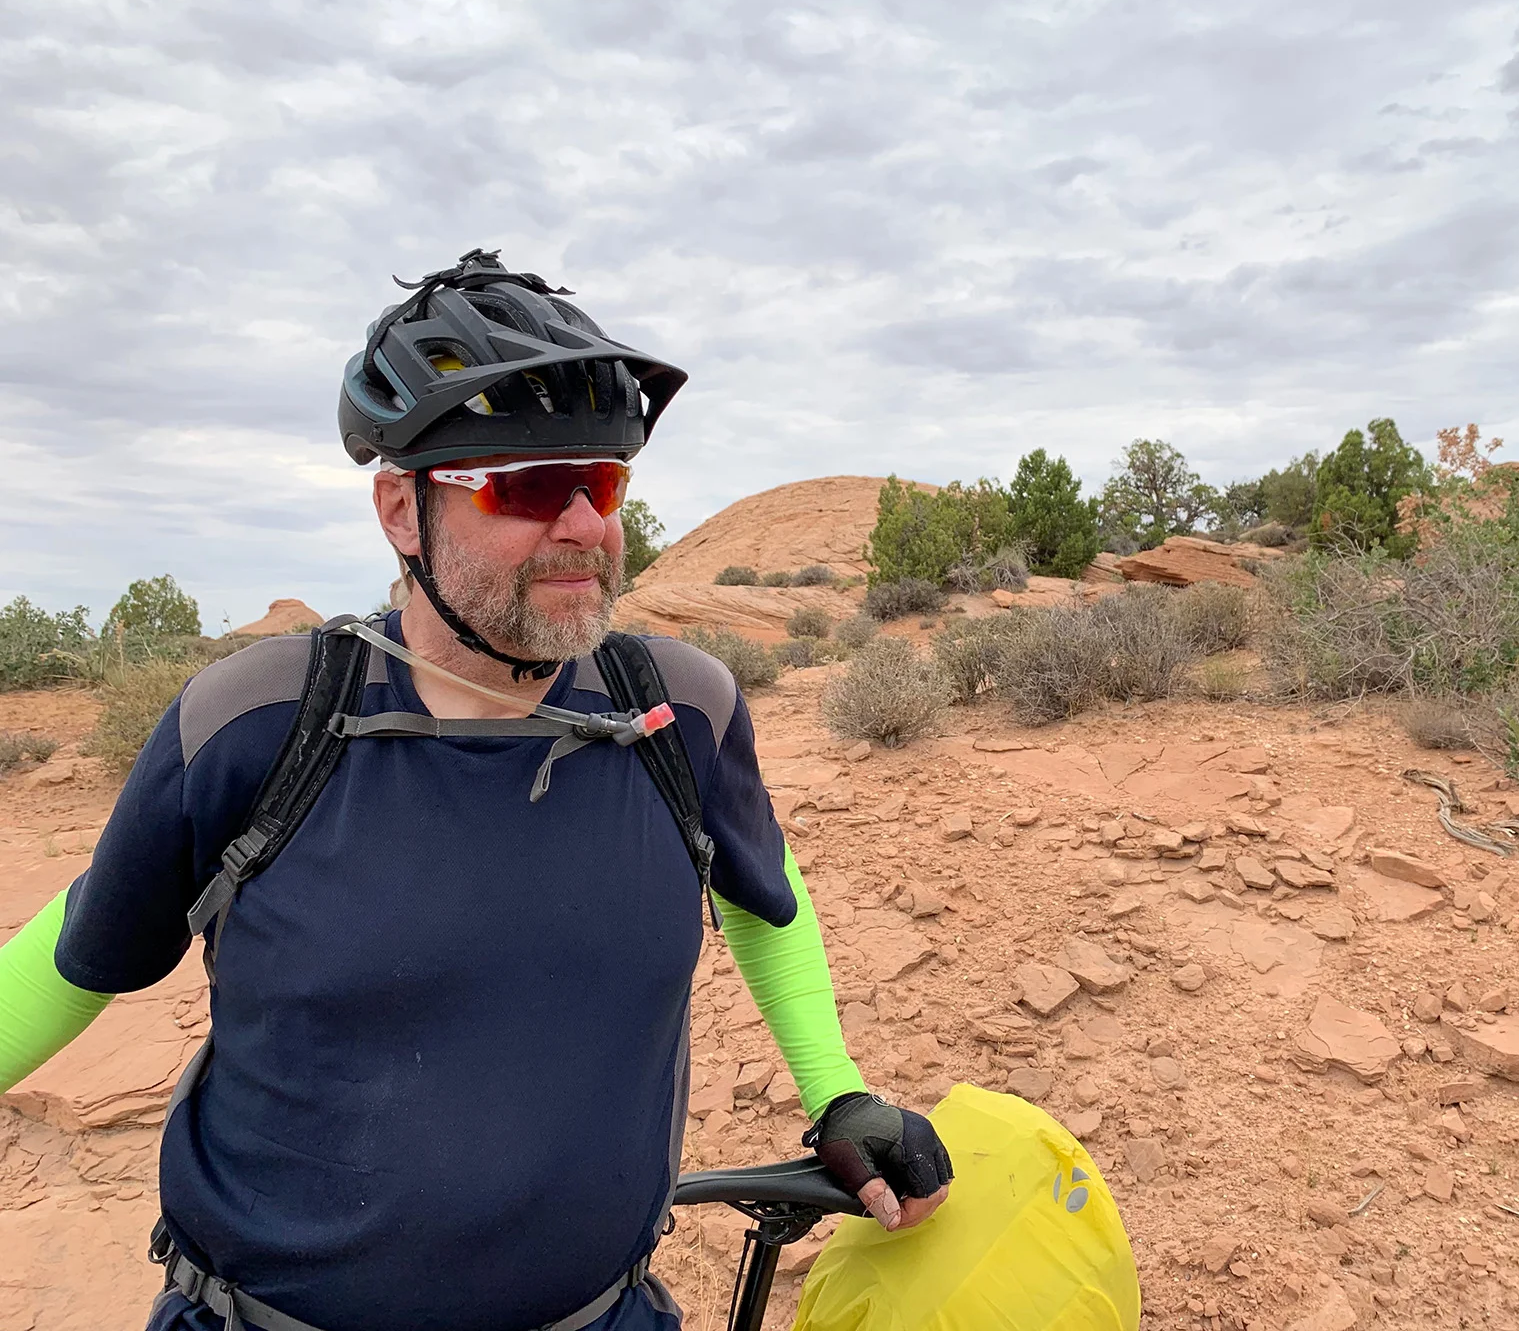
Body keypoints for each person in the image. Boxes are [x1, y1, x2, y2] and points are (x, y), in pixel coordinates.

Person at [0, 250, 952, 1331]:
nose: (588, 528)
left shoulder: (678, 714)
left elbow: (763, 892)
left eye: (603, 487)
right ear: (402, 511)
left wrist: (834, 1088)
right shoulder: (257, 726)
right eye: (534, 487)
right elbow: (83, 953)